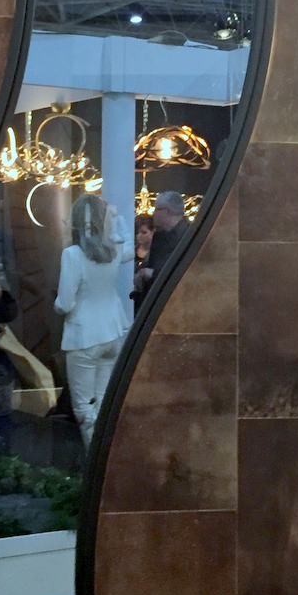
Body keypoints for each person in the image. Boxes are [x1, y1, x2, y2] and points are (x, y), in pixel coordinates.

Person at [55, 195, 134, 448]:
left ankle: (93, 464)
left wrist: (55, 304)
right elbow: (130, 247)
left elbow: (65, 303)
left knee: (84, 410)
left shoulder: (72, 255)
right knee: (103, 405)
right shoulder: (114, 251)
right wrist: (117, 218)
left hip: (84, 337)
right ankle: (106, 460)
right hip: (113, 332)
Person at [131, 191, 187, 307]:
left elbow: (185, 271)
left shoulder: (188, 236)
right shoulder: (159, 235)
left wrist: (153, 273)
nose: (153, 213)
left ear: (166, 211)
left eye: (156, 209)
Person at [129, 213, 154, 311]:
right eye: (137, 233)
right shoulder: (131, 251)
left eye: (144, 232)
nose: (139, 236)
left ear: (153, 232)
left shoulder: (157, 253)